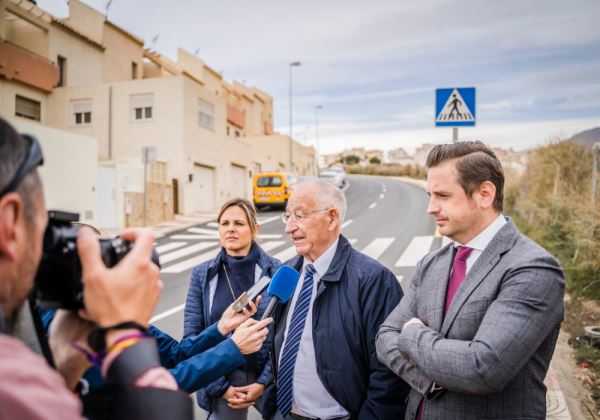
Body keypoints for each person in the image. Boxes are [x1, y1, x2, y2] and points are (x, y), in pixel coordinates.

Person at [0, 117, 189, 418]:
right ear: (10, 223)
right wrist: (124, 332)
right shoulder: (11, 384)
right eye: (43, 229)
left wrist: (64, 371)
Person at [376, 141, 565, 419]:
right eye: (430, 195)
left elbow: (482, 368)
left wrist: (413, 334)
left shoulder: (533, 268)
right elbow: (385, 337)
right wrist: (433, 381)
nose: (430, 207)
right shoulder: (431, 263)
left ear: (485, 194)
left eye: (442, 195)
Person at [262, 179, 410, 420]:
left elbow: (389, 375)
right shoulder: (287, 273)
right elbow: (273, 346)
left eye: (299, 215)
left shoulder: (374, 280)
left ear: (331, 218)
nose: (289, 227)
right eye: (287, 216)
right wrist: (270, 406)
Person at [184, 198, 280, 418]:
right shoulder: (203, 274)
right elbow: (193, 336)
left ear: (255, 229)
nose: (230, 229)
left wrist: (263, 382)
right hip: (222, 377)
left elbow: (282, 336)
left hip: (265, 375)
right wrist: (220, 388)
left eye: (238, 223)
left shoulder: (275, 270)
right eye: (224, 223)